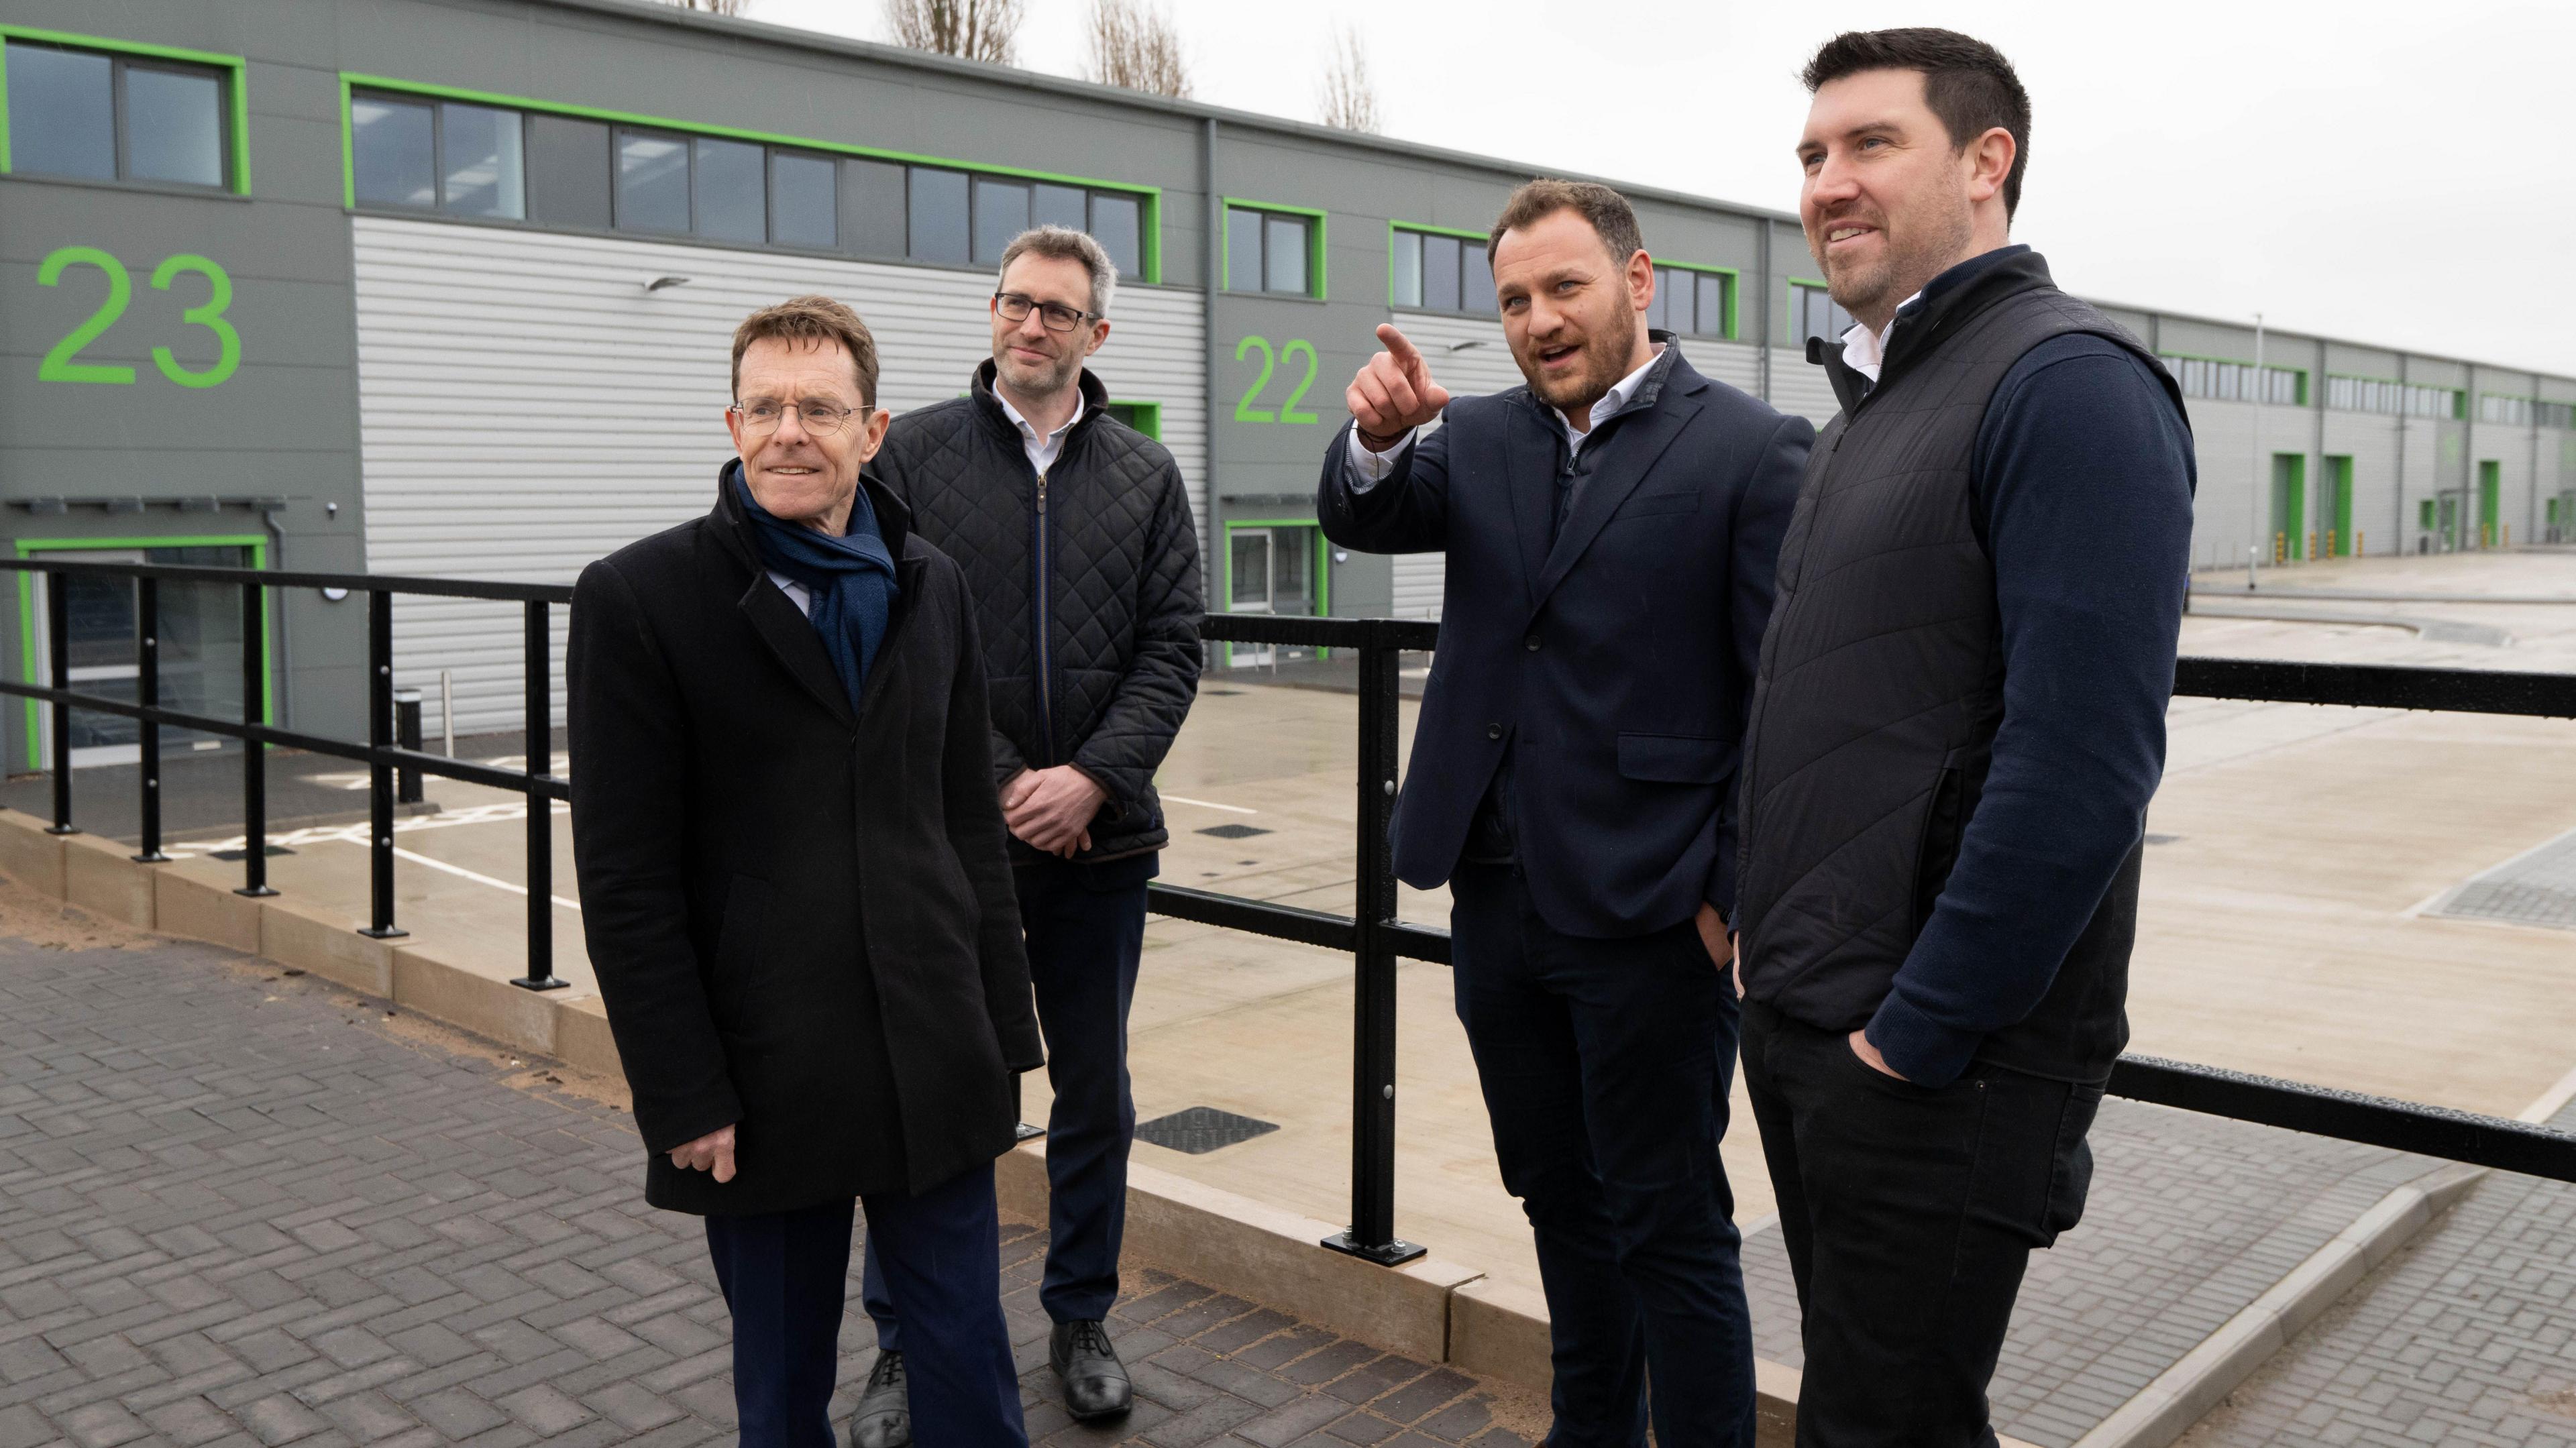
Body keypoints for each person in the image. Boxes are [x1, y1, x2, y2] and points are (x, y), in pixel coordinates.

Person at [1731, 29, 2196, 1445]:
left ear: (1987, 164)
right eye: (1813, 154)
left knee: (1879, 1426)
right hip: (1818, 1014)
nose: (1827, 182)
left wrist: (1913, 1039)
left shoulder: (2069, 388)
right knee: (1894, 1418)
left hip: (1939, 1056)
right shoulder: (1875, 407)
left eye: (1872, 145)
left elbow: (2083, 768)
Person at [1320, 179, 1810, 1446]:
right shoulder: (1479, 435)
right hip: (1493, 890)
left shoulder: (1752, 450)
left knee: (1669, 1219)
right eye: (1516, 300)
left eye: (1565, 288)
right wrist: (1376, 437)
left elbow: (1780, 707)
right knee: (1551, 1193)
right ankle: (1593, 1430)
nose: (1539, 320)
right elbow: (1361, 515)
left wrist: (1728, 900)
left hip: (1652, 910)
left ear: (1639, 285)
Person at [567, 295, 1040, 1448]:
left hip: (932, 1049)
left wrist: (1003, 1029)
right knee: (781, 1388)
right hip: (762, 1073)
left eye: (820, 408)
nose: (792, 430)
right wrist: (681, 1090)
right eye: (767, 406)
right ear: (732, 425)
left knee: (968, 1359)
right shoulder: (640, 599)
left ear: (870, 433)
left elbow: (964, 823)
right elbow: (624, 878)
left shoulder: (934, 586)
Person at [855, 225, 1202, 1444]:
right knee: (933, 1086)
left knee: (1093, 1087)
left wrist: (1092, 780)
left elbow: (1174, 649)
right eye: (1015, 303)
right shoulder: (914, 460)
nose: (1032, 324)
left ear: (1096, 334)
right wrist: (1006, 784)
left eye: (1058, 309)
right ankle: (901, 1345)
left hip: (1101, 846)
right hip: (953, 840)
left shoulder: (1146, 475)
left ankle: (1081, 1316)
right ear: (992, 316)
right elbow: (898, 641)